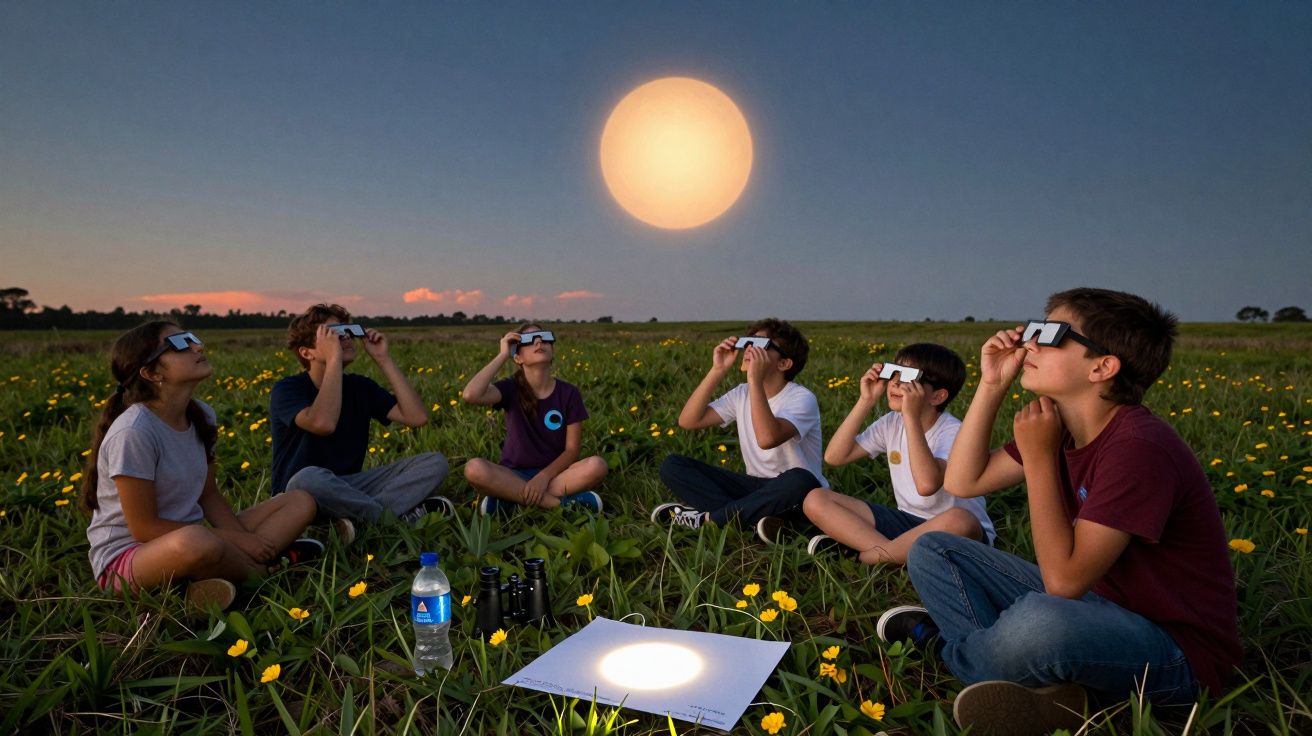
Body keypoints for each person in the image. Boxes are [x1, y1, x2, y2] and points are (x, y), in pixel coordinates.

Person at [878, 288, 1242, 736]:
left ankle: (950, 653)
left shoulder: (1139, 447)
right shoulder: (1061, 426)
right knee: (934, 548)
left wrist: (1038, 461)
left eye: (1050, 333)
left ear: (1102, 367)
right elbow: (962, 481)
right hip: (1097, 610)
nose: (1029, 341)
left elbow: (1063, 583)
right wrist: (992, 385)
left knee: (1042, 621)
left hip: (1176, 656)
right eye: (1033, 328)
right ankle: (1050, 690)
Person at [83, 322, 319, 611]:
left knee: (300, 501)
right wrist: (238, 542)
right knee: (195, 543)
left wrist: (245, 541)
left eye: (192, 338)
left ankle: (212, 583)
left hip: (193, 538)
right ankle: (268, 572)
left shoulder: (202, 416)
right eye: (181, 344)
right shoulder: (134, 432)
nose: (197, 346)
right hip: (129, 559)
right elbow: (145, 528)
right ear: (151, 373)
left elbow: (208, 495)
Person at [270, 304, 452, 544]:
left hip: (348, 488)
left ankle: (355, 522)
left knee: (434, 462)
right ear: (307, 352)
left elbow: (417, 417)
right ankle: (392, 520)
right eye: (332, 333)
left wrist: (383, 360)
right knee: (308, 477)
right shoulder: (288, 388)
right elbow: (323, 423)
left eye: (346, 330)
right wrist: (334, 358)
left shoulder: (360, 387)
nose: (344, 337)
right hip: (299, 495)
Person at [802, 343, 994, 563]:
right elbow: (835, 457)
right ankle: (894, 555)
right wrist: (866, 400)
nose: (895, 382)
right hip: (906, 522)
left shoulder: (955, 432)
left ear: (937, 397)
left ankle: (864, 557)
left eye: (908, 377)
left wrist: (911, 418)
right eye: (893, 372)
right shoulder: (891, 423)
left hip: (954, 531)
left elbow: (927, 485)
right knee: (815, 499)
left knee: (960, 520)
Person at [653, 318, 826, 542]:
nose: (749, 350)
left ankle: (709, 520)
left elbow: (767, 438)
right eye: (748, 342)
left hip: (797, 494)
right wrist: (717, 370)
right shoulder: (741, 393)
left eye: (760, 345)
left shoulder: (801, 398)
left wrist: (754, 380)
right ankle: (757, 521)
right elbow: (689, 421)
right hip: (753, 488)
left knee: (800, 480)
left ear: (783, 363)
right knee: (673, 466)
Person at [461, 324, 607, 514]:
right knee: (474, 468)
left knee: (597, 465)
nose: (539, 341)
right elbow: (471, 395)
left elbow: (572, 450)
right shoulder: (510, 388)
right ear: (518, 357)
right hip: (513, 473)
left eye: (545, 337)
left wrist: (543, 477)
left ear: (552, 351)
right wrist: (502, 355)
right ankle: (561, 507)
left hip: (555, 474)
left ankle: (509, 500)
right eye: (529, 340)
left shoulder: (569, 393)